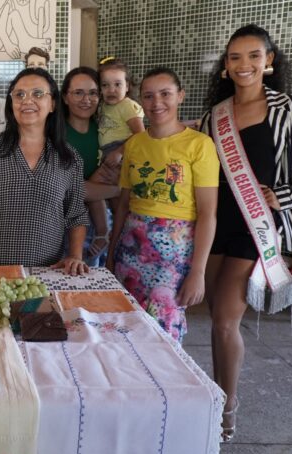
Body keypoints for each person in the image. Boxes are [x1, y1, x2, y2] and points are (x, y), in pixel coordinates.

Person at [199, 24, 292, 442]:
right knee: (215, 321)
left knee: (226, 321)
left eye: (254, 56)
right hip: (217, 224)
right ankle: (216, 396)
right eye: (235, 57)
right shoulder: (213, 116)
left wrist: (285, 196)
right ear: (226, 65)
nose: (245, 65)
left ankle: (228, 407)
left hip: (257, 228)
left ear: (269, 61)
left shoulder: (289, 107)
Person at [107, 67, 219, 345]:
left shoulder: (200, 145)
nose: (157, 102)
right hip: (130, 246)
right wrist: (112, 252)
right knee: (124, 325)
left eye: (165, 94)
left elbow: (208, 213)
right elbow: (124, 204)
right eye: (148, 96)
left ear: (180, 96)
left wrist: (198, 271)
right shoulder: (134, 144)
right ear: (140, 101)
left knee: (163, 331)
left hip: (174, 253)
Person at [0, 68, 90, 276]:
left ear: (53, 104)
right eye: (19, 95)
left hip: (47, 272)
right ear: (11, 103)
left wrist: (75, 255)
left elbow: (76, 214)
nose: (27, 101)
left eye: (38, 94)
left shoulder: (69, 159)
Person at [86, 57, 145, 263]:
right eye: (105, 85)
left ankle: (104, 233)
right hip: (108, 153)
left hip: (122, 151)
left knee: (93, 187)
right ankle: (115, 240)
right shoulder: (103, 106)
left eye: (117, 84)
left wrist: (120, 152)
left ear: (127, 86)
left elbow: (140, 135)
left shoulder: (127, 106)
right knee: (113, 201)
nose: (111, 90)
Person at [61, 67, 120, 267]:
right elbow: (70, 189)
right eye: (78, 93)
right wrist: (118, 190)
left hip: (103, 223)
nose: (86, 99)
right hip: (67, 223)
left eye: (93, 93)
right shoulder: (57, 135)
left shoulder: (106, 132)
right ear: (65, 97)